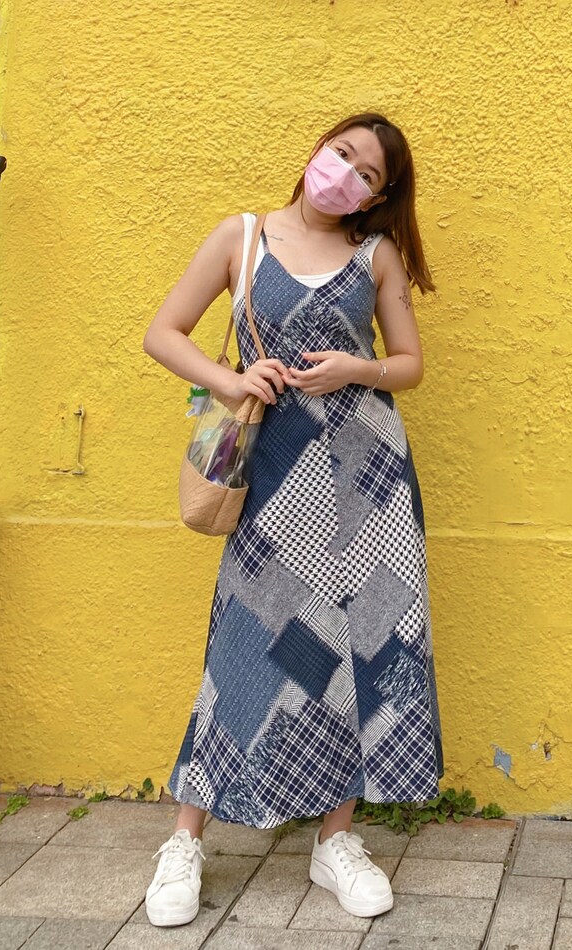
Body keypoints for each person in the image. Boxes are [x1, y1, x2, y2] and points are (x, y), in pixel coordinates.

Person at [140, 112, 443, 927]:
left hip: (368, 480)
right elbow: (163, 334)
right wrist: (230, 380)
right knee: (248, 639)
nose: (347, 174)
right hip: (272, 476)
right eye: (343, 153)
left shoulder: (375, 257)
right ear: (317, 150)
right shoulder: (241, 236)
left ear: (378, 196)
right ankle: (185, 841)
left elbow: (409, 365)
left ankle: (336, 840)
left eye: (368, 174)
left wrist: (357, 368)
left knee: (363, 644)